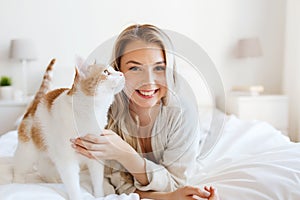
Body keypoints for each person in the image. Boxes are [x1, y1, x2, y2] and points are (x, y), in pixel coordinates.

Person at [71, 24, 220, 200]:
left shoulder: (183, 113)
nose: (148, 82)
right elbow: (120, 187)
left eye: (159, 68)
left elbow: (176, 183)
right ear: (118, 72)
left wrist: (125, 154)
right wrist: (169, 197)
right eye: (135, 68)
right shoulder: (106, 115)